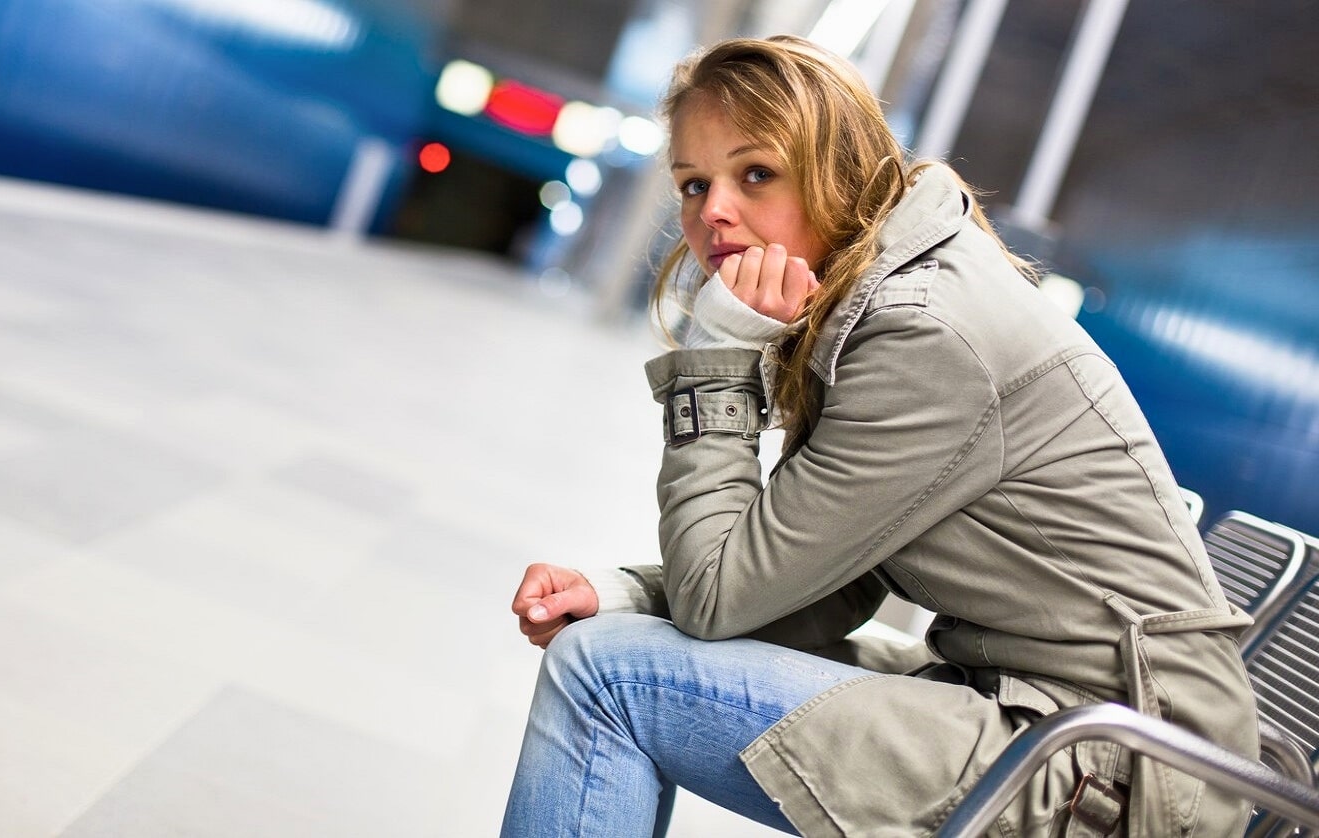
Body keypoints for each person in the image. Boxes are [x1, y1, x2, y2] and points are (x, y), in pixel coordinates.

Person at [499, 34, 1257, 837]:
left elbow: (719, 600)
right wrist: (625, 596)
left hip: (1112, 770)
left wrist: (717, 360)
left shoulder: (923, 333)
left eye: (755, 172)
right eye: (693, 183)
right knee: (613, 646)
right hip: (1057, 722)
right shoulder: (879, 308)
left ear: (839, 169)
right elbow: (822, 584)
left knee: (604, 677)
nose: (712, 210)